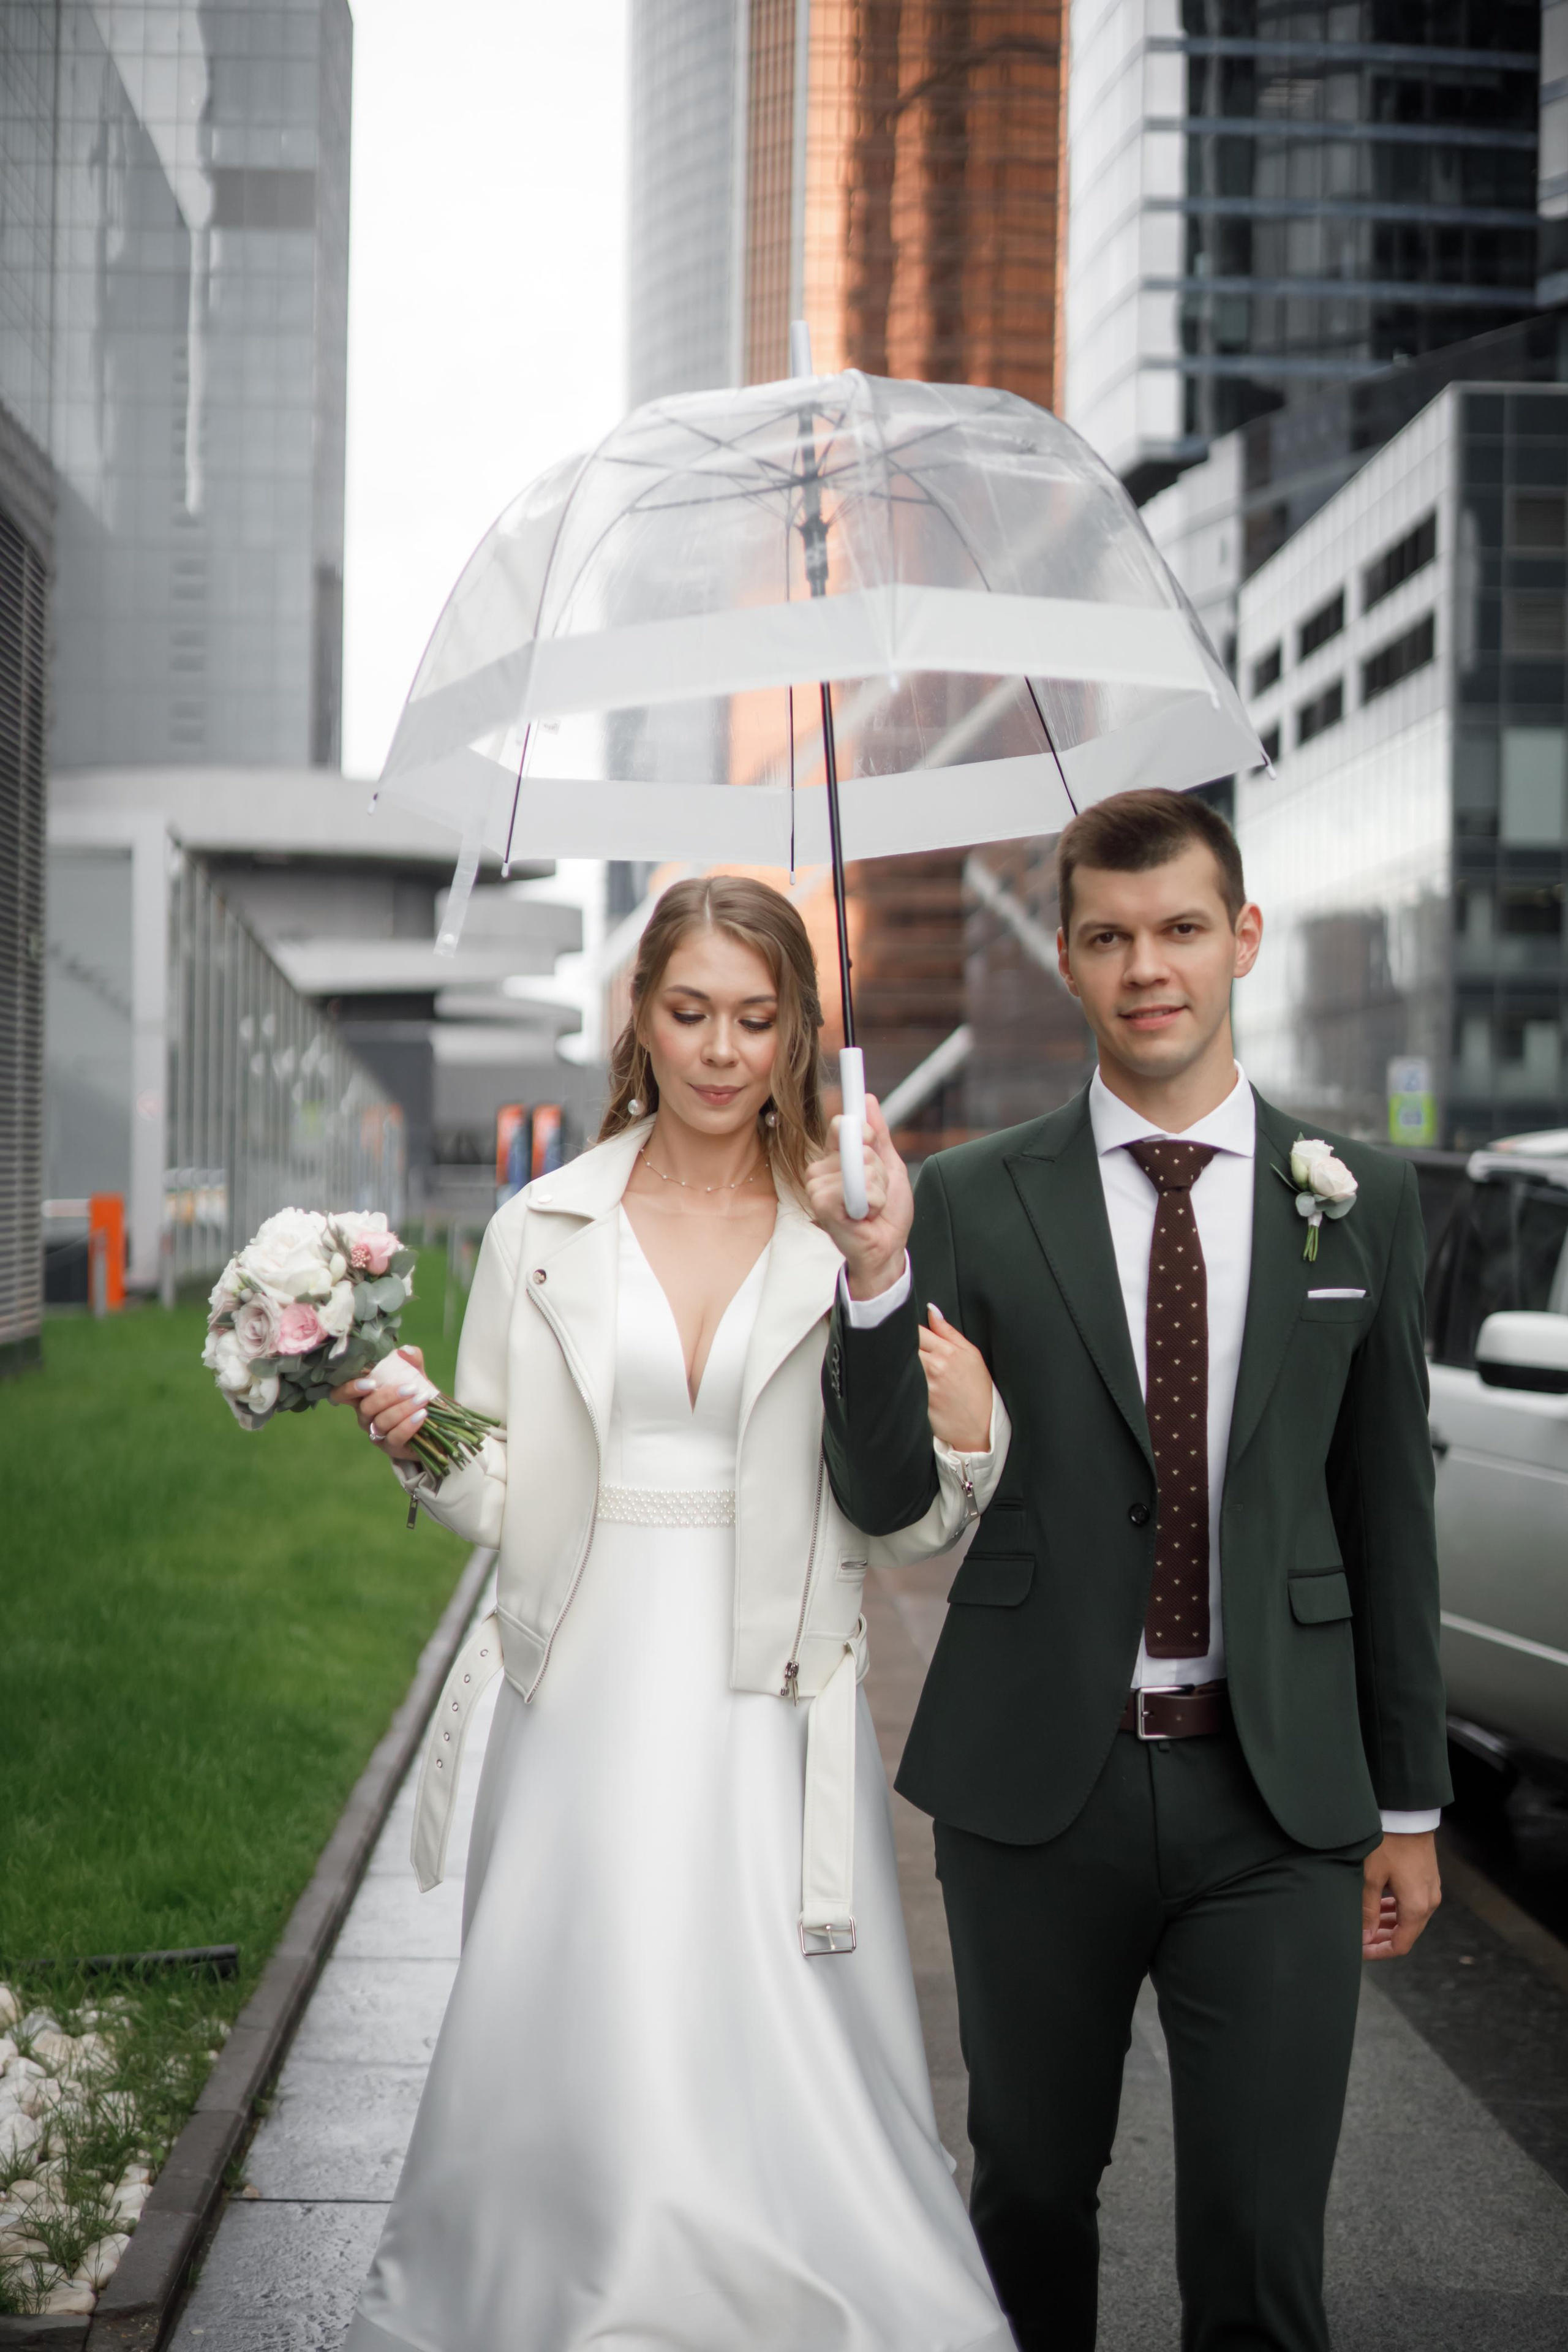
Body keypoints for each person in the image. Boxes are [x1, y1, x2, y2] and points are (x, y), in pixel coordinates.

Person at [331, 876, 1016, 2352]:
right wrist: (420, 1440)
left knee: (773, 2007)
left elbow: (899, 1514)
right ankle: (561, 2275)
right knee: (588, 1988)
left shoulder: (848, 1227)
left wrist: (969, 1427)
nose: (719, 1050)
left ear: (797, 1033)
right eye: (689, 1011)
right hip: (582, 1679)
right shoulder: (539, 1227)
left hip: (775, 1679)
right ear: (637, 1017)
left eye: (754, 1020)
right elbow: (503, 1493)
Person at [808, 788, 1450, 2352]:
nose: (1144, 967)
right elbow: (883, 1497)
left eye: (1177, 930)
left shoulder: (1358, 1197)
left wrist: (1410, 1806)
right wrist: (874, 1281)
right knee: (1027, 2202)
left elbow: (1384, 1514)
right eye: (1106, 938)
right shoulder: (972, 1197)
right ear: (1066, 959)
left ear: (1241, 938)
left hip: (1277, 1800)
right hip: (1040, 1787)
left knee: (1257, 2242)